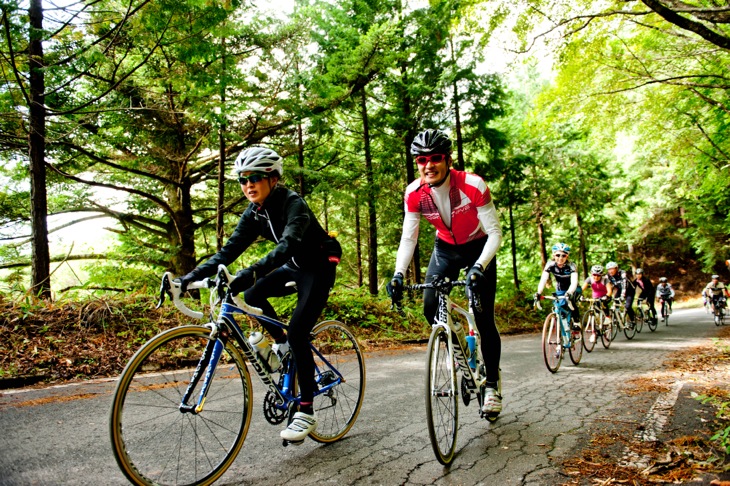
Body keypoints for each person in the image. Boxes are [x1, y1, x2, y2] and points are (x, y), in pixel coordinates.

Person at [176, 146, 342, 443]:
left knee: (299, 332)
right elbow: (228, 251)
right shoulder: (254, 212)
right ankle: (282, 345)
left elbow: (289, 243)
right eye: (242, 179)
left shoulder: (293, 203)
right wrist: (186, 279)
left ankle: (306, 410)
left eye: (255, 177)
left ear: (274, 178)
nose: (248, 184)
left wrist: (251, 270)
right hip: (293, 266)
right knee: (252, 295)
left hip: (318, 267)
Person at [388, 128, 503, 418]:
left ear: (448, 159)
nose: (429, 165)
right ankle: (459, 348)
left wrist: (479, 266)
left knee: (483, 317)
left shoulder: (473, 184)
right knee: (430, 307)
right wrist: (398, 273)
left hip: (479, 247)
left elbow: (495, 232)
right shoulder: (414, 193)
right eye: (421, 160)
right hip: (446, 249)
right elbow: (409, 238)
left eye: (436, 158)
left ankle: (491, 386)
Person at [535, 243, 582, 331]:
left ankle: (576, 321)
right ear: (554, 255)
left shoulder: (572, 265)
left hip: (574, 288)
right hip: (561, 289)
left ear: (567, 256)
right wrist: (539, 292)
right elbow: (543, 279)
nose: (560, 258)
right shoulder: (550, 264)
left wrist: (570, 292)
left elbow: (574, 282)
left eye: (563, 255)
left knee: (571, 300)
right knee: (559, 305)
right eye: (558, 255)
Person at [605, 261, 636, 326]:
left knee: (627, 306)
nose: (610, 271)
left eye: (612, 269)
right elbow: (606, 286)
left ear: (616, 268)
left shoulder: (622, 273)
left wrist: (622, 296)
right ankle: (617, 317)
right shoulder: (607, 276)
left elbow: (624, 285)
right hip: (620, 289)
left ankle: (633, 320)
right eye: (609, 270)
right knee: (615, 303)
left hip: (629, 290)